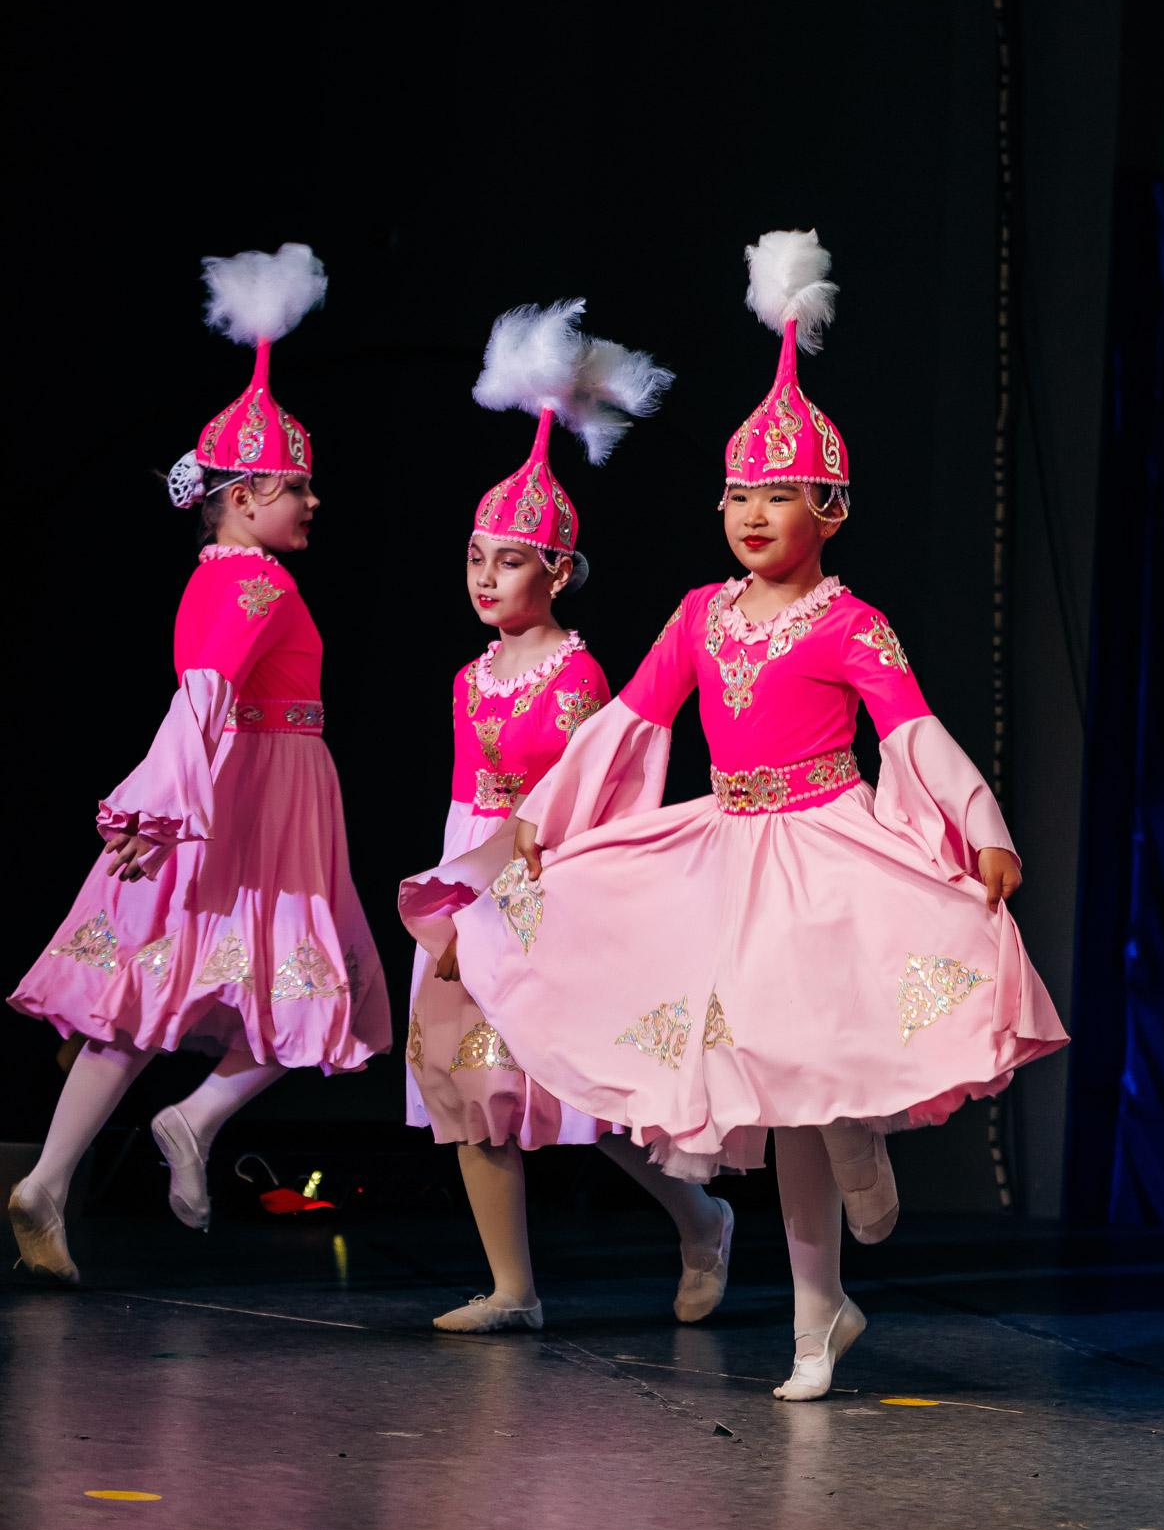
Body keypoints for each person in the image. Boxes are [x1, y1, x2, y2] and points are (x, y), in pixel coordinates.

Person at [454, 230, 1069, 1397]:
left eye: (777, 495)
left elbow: (912, 732)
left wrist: (981, 830)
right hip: (724, 859)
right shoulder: (698, 614)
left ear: (828, 508)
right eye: (737, 492)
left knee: (806, 1071)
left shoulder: (849, 623)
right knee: (777, 1085)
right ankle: (817, 1311)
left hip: (827, 848)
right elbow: (627, 723)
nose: (749, 513)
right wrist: (546, 817)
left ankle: (846, 1178)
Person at [8, 243, 391, 1280]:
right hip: (255, 800)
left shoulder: (218, 575)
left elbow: (205, 693)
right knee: (338, 991)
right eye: (297, 487)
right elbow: (206, 693)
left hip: (242, 792)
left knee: (144, 997)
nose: (312, 502)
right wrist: (155, 804)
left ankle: (52, 1179)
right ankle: (194, 1118)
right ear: (246, 494)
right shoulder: (254, 583)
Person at [399, 299, 734, 1333]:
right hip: (473, 869)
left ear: (556, 571)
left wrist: (527, 902)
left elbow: (586, 801)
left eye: (507, 560)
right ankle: (513, 1289)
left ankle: (701, 1218)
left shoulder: (578, 676)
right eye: (474, 557)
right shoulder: (469, 677)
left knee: (576, 1089)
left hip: (545, 881)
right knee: (474, 1083)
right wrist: (451, 909)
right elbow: (468, 803)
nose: (484, 577)